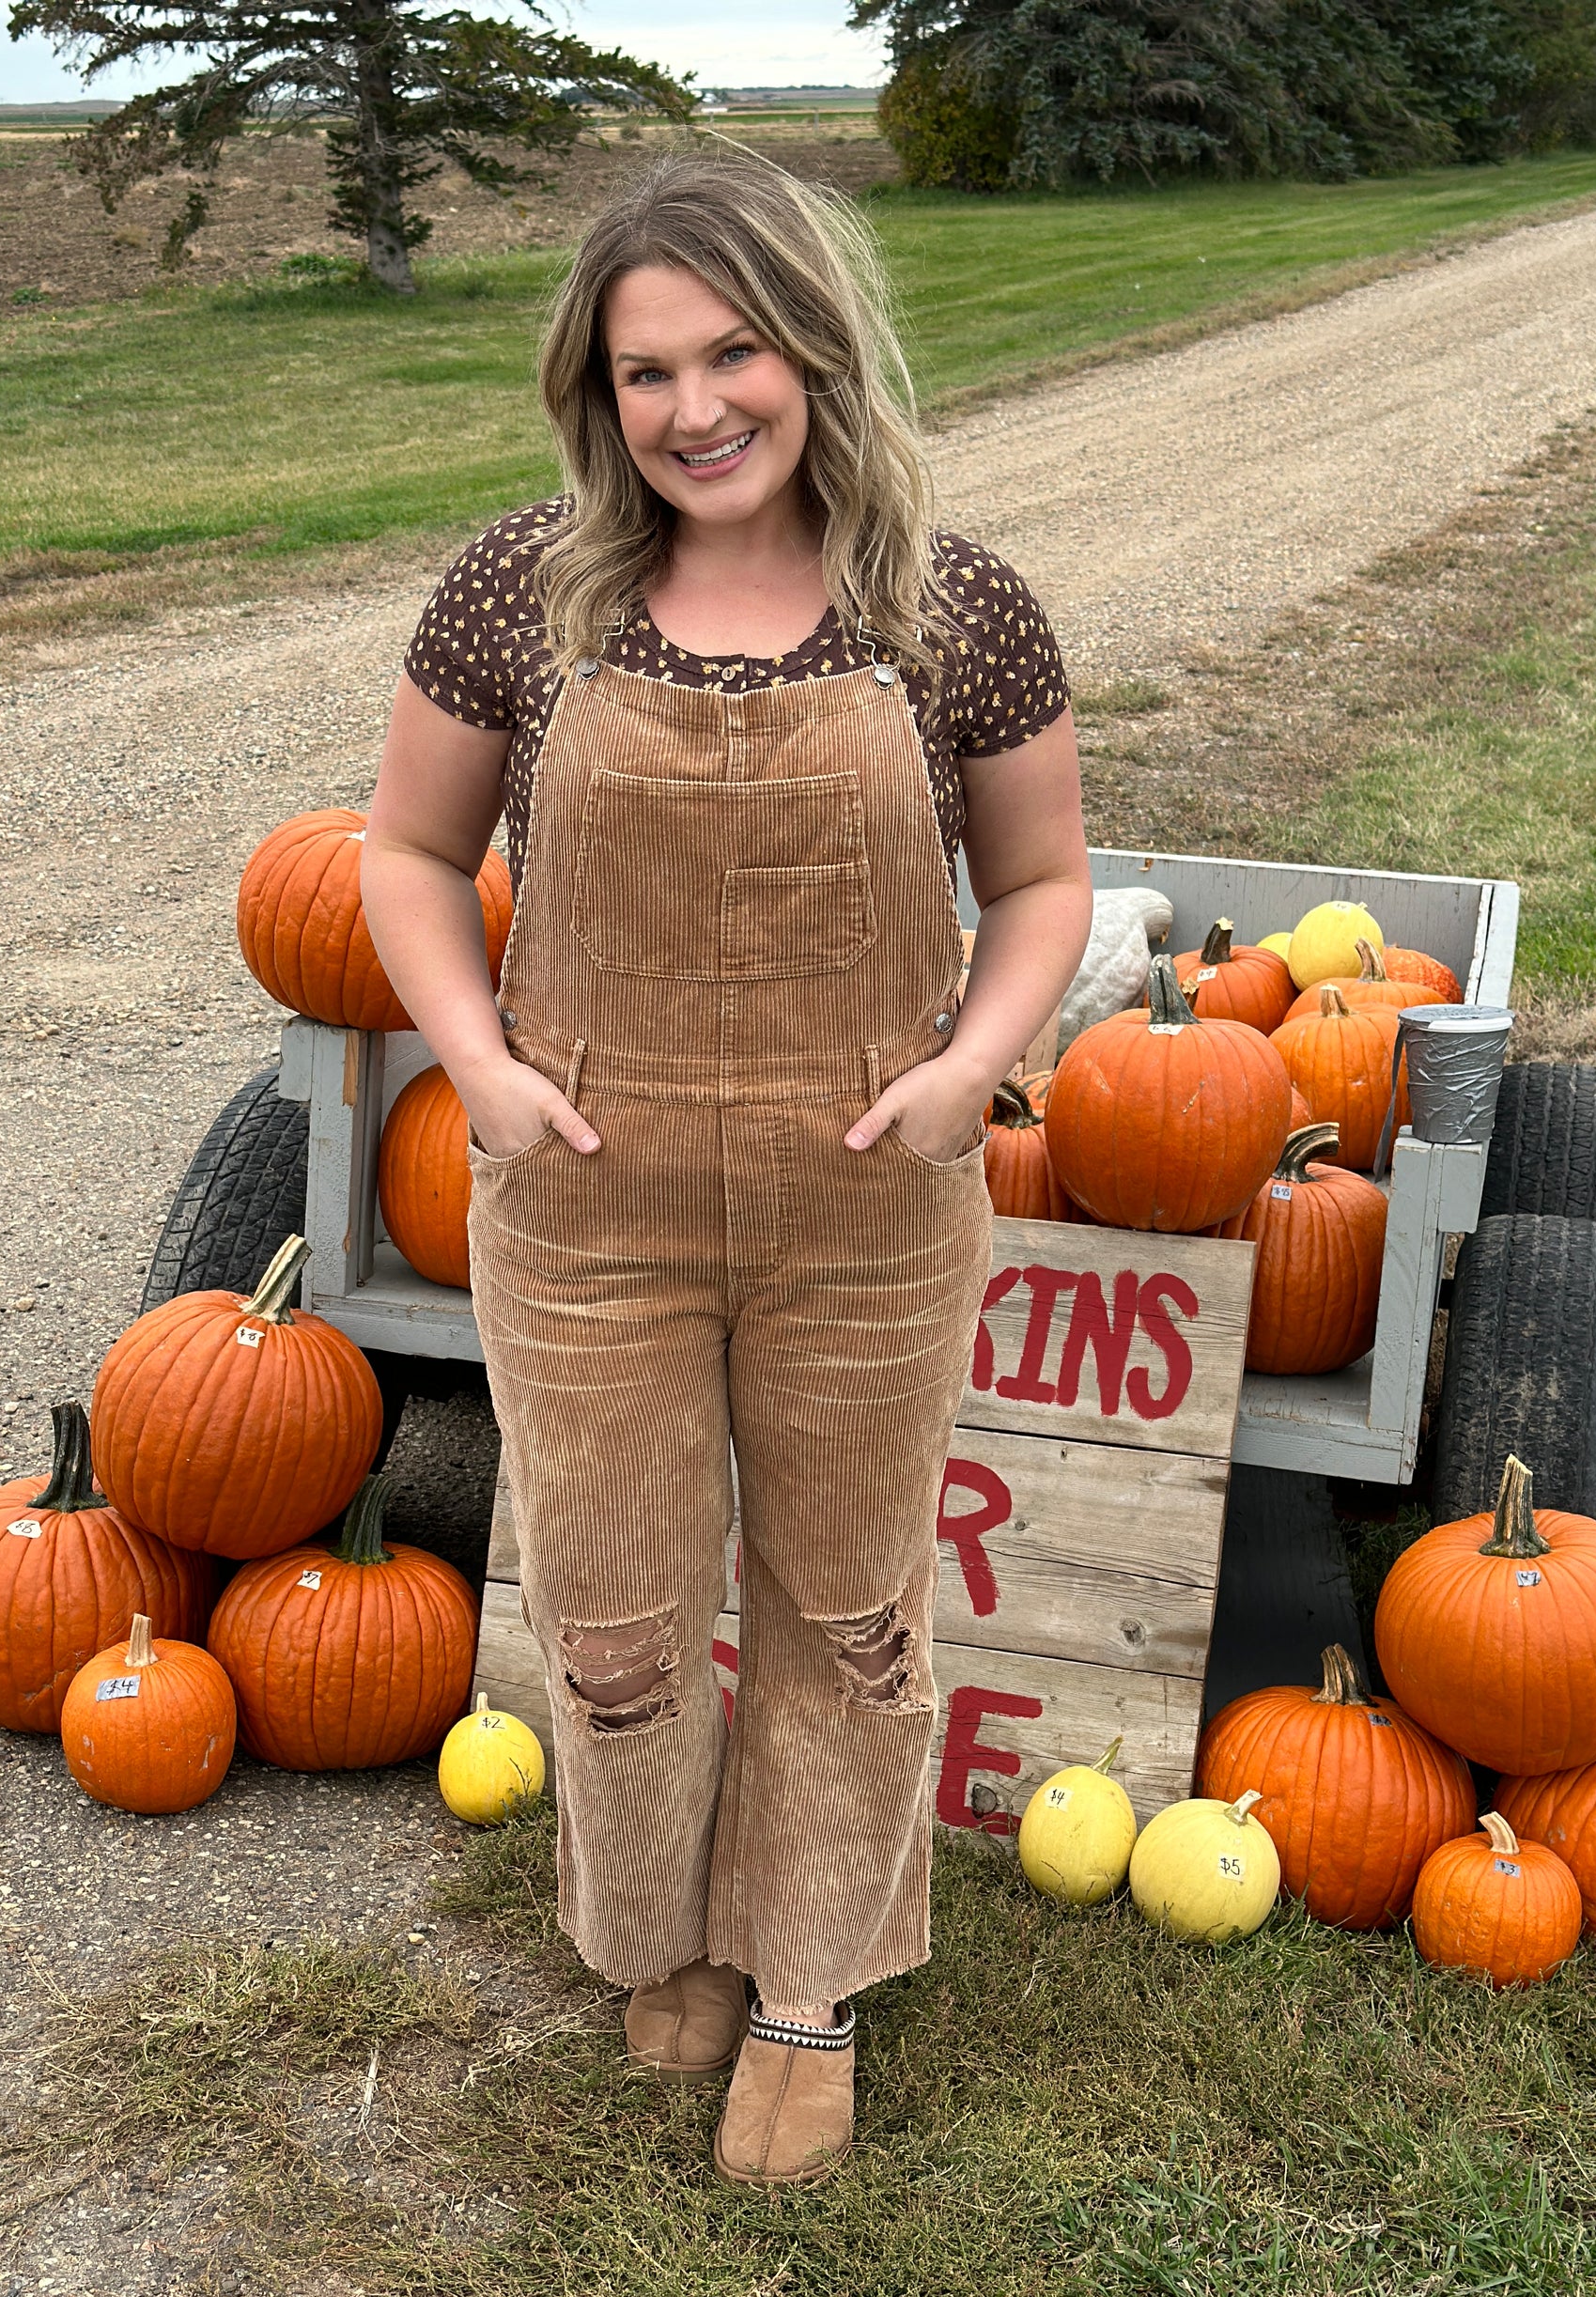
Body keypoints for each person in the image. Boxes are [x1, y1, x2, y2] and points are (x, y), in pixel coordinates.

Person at [363, 150, 1092, 2187]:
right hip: (582, 1214)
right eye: (646, 369)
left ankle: (805, 1983)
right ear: (597, 395)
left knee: (846, 1610)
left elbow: (1039, 881)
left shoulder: (954, 605)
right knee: (612, 1614)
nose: (695, 408)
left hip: (867, 1209)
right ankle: (658, 1935)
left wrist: (970, 1068)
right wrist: (482, 1071)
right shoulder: (522, 593)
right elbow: (407, 856)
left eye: (733, 351)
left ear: (815, 344)